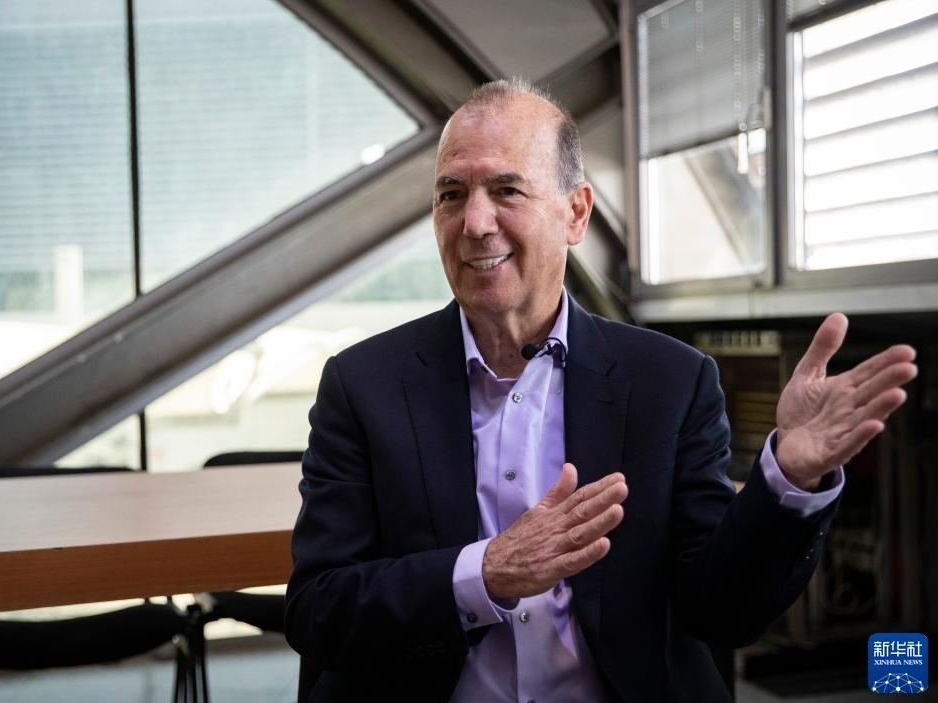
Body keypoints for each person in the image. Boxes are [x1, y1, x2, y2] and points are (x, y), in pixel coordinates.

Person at [284, 78, 918, 702]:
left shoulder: (670, 382)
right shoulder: (362, 384)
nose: (474, 222)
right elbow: (319, 609)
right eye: (452, 194)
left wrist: (790, 479)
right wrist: (486, 574)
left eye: (507, 190)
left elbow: (720, 612)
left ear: (576, 213)